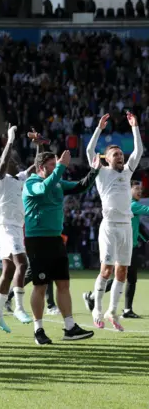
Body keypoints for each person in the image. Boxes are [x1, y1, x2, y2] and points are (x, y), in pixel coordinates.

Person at [23, 147, 98, 345]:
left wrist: (95, 170)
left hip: (56, 239)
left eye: (56, 165)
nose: (55, 168)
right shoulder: (31, 182)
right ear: (40, 167)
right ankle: (38, 330)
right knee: (40, 286)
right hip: (37, 240)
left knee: (63, 284)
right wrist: (62, 167)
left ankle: (70, 327)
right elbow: (43, 189)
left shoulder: (57, 182)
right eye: (51, 165)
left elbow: (80, 186)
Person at [83, 112, 143, 330]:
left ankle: (112, 311)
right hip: (109, 227)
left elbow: (139, 151)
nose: (120, 157)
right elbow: (90, 151)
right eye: (115, 154)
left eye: (121, 154)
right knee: (106, 270)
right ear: (106, 158)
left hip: (126, 227)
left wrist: (135, 127)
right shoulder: (101, 173)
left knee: (123, 272)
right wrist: (99, 128)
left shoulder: (126, 173)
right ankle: (97, 309)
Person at [0, 125, 34, 333]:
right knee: (22, 263)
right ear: (4, 166)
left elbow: (36, 167)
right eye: (12, 162)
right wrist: (10, 140)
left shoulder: (20, 178)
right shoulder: (0, 180)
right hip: (4, 227)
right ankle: (19, 307)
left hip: (16, 227)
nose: (16, 164)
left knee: (8, 271)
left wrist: (39, 146)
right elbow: (5, 160)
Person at [84, 181, 149, 318]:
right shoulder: (131, 205)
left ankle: (122, 308)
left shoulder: (130, 205)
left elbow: (136, 226)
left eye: (141, 189)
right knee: (124, 277)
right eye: (136, 188)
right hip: (125, 246)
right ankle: (120, 308)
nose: (139, 191)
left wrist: (145, 238)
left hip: (132, 245)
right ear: (129, 190)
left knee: (128, 277)